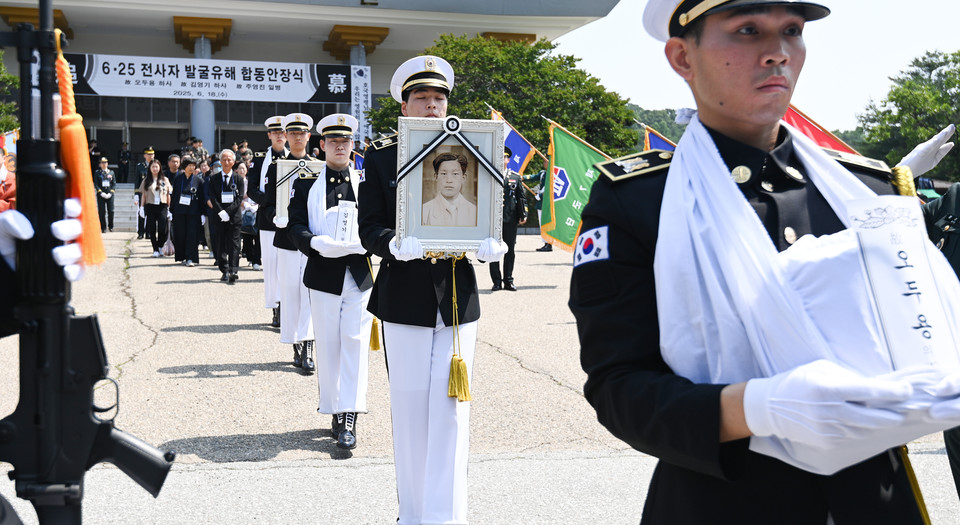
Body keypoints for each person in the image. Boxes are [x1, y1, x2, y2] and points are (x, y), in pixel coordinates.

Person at [569, 2, 960, 523]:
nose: (778, 53)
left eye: (792, 31)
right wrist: (756, 408)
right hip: (721, 504)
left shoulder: (866, 192)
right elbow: (619, 388)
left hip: (874, 501)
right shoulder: (640, 201)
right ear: (682, 57)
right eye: (748, 30)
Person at [358, 55, 506, 525]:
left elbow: (493, 210)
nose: (431, 106)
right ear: (404, 106)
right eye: (421, 98)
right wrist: (392, 244)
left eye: (438, 98)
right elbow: (368, 227)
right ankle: (414, 514)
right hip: (404, 297)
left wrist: (491, 241)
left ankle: (446, 516)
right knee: (409, 410)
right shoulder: (382, 157)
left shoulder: (473, 153)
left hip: (458, 297)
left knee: (451, 414)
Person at [289, 113, 372, 450]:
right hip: (323, 273)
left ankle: (350, 414)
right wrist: (312, 243)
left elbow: (378, 223)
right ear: (322, 144)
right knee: (329, 344)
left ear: (353, 145)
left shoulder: (365, 182)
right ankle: (335, 409)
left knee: (355, 342)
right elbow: (294, 225)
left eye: (345, 141)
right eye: (334, 141)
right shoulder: (306, 182)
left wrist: (371, 242)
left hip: (358, 273)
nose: (340, 146)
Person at [274, 112, 316, 371]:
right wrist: (276, 215)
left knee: (309, 292)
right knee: (290, 292)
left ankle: (308, 342)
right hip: (286, 238)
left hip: (311, 239)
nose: (298, 137)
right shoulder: (277, 166)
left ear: (309, 136)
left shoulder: (319, 166)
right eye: (293, 133)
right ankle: (295, 343)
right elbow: (268, 200)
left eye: (302, 133)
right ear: (286, 136)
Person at [248, 115, 288, 328]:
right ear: (269, 135)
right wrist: (269, 203)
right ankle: (276, 306)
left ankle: (287, 305)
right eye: (276, 133)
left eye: (283, 132)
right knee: (271, 265)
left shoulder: (294, 157)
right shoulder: (260, 159)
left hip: (290, 219)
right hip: (267, 219)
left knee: (288, 265)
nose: (280, 136)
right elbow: (251, 189)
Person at [490, 147, 527, 291]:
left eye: (505, 157)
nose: (503, 159)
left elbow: (521, 197)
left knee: (510, 250)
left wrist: (523, 214)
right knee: (494, 251)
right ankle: (496, 281)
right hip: (494, 218)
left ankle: (508, 280)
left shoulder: (515, 177)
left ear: (508, 159)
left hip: (510, 218)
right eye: (500, 156)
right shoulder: (491, 173)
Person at [207, 149, 244, 283]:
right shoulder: (214, 178)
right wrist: (221, 212)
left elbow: (239, 198)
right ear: (220, 161)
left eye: (229, 160)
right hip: (219, 216)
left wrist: (228, 212)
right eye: (224, 159)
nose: (227, 162)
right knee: (220, 244)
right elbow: (213, 197)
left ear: (233, 162)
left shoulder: (238, 179)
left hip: (234, 217)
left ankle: (233, 270)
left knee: (234, 244)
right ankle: (224, 270)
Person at [421, 152, 477, 226]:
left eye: (455, 174)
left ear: (463, 178)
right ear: (436, 177)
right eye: (444, 174)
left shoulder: (475, 212)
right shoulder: (423, 211)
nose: (449, 180)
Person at [171, 157, 205, 267]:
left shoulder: (198, 180)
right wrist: (171, 210)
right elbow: (174, 195)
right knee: (180, 234)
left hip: (193, 212)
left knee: (192, 234)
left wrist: (203, 213)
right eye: (189, 165)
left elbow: (202, 198)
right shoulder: (178, 179)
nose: (192, 167)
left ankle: (191, 257)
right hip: (179, 211)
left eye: (193, 165)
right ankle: (182, 256)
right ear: (184, 166)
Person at [138, 158, 171, 258]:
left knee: (162, 228)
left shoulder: (165, 180)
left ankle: (160, 246)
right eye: (153, 167)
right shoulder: (146, 180)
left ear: (160, 167)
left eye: (156, 167)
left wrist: (169, 208)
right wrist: (141, 207)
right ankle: (155, 249)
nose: (155, 169)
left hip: (162, 205)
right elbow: (143, 195)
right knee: (151, 228)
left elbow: (168, 194)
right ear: (150, 168)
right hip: (150, 205)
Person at [521, 157, 552, 251]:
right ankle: (546, 243)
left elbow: (551, 189)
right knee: (542, 223)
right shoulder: (543, 173)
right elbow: (533, 177)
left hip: (547, 203)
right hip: (541, 203)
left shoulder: (553, 174)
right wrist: (523, 178)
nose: (544, 163)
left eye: (545, 161)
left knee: (547, 223)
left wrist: (541, 196)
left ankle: (549, 243)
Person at [235, 161, 261, 269]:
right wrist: (244, 204)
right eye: (240, 168)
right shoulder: (236, 182)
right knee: (247, 236)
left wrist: (256, 205)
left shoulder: (251, 182)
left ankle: (256, 260)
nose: (242, 170)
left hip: (255, 210)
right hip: (243, 211)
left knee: (257, 236)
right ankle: (250, 257)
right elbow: (235, 197)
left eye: (243, 168)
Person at [134, 146, 155, 239]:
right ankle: (141, 232)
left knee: (151, 213)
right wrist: (136, 194)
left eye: (152, 154)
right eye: (149, 154)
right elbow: (137, 181)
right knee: (142, 212)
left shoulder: (156, 165)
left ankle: (148, 232)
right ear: (145, 155)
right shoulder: (140, 166)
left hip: (153, 193)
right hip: (143, 193)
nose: (151, 156)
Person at [93, 157, 116, 233]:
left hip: (109, 194)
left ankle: (111, 226)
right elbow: (96, 184)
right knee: (102, 211)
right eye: (102, 163)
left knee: (111, 211)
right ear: (100, 164)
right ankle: (103, 227)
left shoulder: (111, 172)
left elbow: (114, 183)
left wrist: (111, 192)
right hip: (101, 194)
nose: (104, 164)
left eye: (105, 163)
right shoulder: (97, 173)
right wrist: (100, 192)